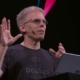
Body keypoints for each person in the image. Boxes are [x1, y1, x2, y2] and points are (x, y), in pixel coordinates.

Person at [0, 6, 66, 80]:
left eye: (44, 21)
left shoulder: (51, 57)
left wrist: (62, 64)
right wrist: (3, 47)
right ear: (23, 28)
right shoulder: (8, 53)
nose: (42, 25)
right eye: (36, 21)